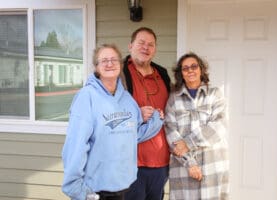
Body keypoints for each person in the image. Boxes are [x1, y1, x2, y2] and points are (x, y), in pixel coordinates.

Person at [61, 44, 165, 200]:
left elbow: (132, 135)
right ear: (96, 67)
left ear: (120, 65)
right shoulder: (87, 97)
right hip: (95, 190)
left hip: (124, 186)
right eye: (104, 60)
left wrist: (156, 120)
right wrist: (77, 189)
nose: (109, 64)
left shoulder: (128, 100)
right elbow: (76, 144)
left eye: (113, 60)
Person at [164, 52, 229, 200]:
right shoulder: (174, 99)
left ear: (201, 69)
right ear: (181, 73)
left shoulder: (215, 94)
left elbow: (219, 126)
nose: (190, 70)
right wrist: (190, 164)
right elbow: (170, 132)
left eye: (194, 66)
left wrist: (188, 143)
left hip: (213, 165)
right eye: (185, 68)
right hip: (183, 168)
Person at [123, 27, 171, 200]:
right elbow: (106, 113)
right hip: (131, 162)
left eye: (151, 44)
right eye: (141, 43)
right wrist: (136, 114)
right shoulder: (120, 73)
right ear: (130, 46)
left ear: (155, 50)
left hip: (161, 162)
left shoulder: (163, 74)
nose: (146, 47)